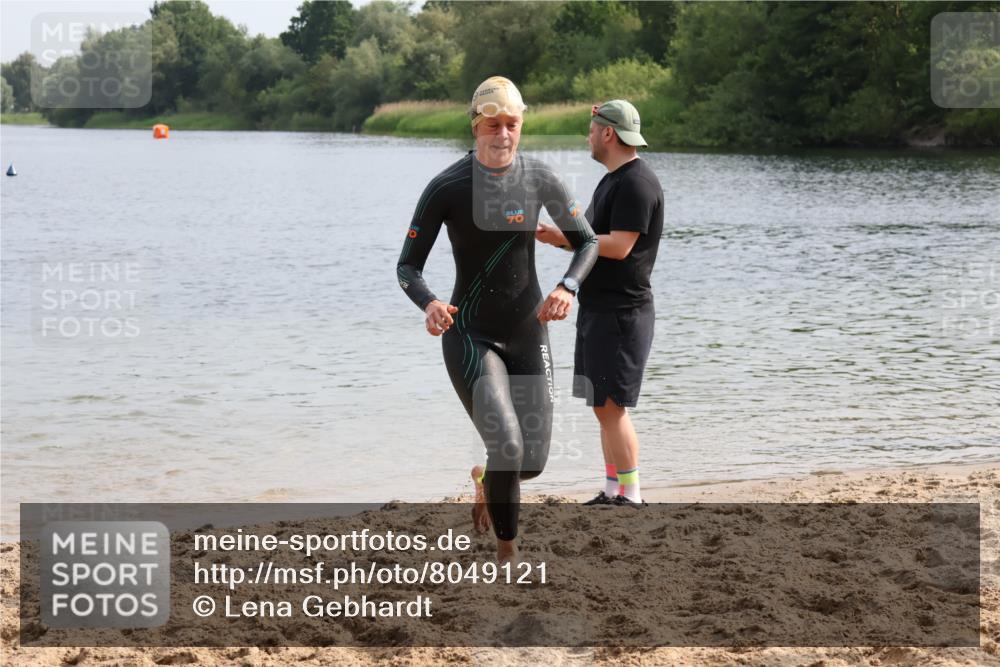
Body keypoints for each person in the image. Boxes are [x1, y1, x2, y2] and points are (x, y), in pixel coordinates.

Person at [396, 76, 598, 561]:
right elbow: (407, 266)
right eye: (493, 124)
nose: (503, 134)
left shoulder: (540, 177)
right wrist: (428, 303)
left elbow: (587, 240)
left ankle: (486, 481)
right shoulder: (447, 186)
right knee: (507, 446)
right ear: (475, 126)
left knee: (531, 463)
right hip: (470, 334)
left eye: (512, 124)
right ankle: (508, 554)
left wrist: (567, 286)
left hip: (528, 331)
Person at [536, 99, 663, 508]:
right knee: (602, 407)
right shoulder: (612, 180)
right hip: (600, 309)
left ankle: (632, 494)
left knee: (613, 408)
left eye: (591, 130)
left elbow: (620, 246)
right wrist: (556, 234)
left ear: (608, 133)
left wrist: (562, 237)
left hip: (624, 313)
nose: (587, 138)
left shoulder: (636, 183)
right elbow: (591, 242)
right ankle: (612, 490)